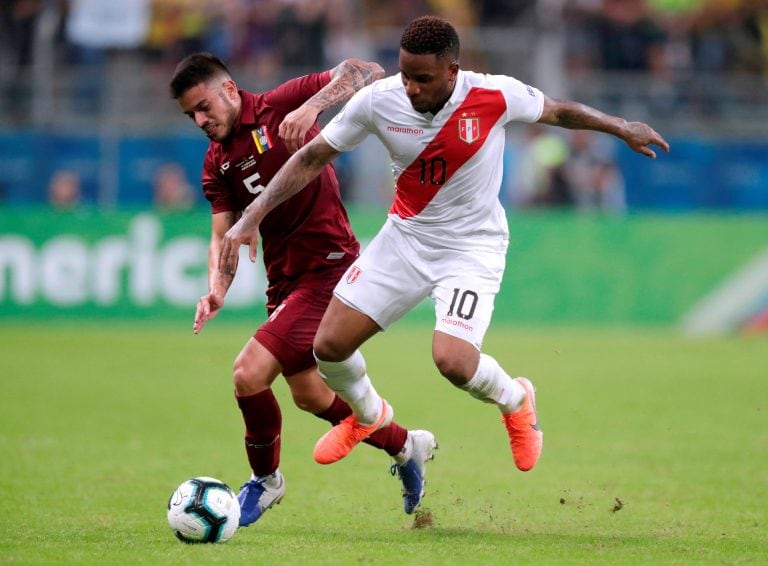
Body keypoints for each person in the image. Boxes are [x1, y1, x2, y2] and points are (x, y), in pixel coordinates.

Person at [218, 16, 669, 482]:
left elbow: (557, 111)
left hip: (472, 247)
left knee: (452, 362)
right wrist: (250, 219)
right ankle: (370, 414)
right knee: (328, 347)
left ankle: (516, 400)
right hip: (406, 239)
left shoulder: (494, 94)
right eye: (406, 75)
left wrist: (622, 126)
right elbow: (312, 157)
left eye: (423, 79)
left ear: (453, 71)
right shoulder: (379, 101)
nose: (411, 88)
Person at [169, 52, 437, 526]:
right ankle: (406, 445)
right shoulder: (216, 163)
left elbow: (367, 72)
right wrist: (216, 289)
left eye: (204, 106)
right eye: (191, 114)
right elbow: (222, 233)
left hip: (330, 269)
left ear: (230, 89)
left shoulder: (279, 105)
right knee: (311, 396)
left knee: (247, 373)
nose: (200, 120)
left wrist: (313, 107)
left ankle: (266, 481)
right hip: (286, 281)